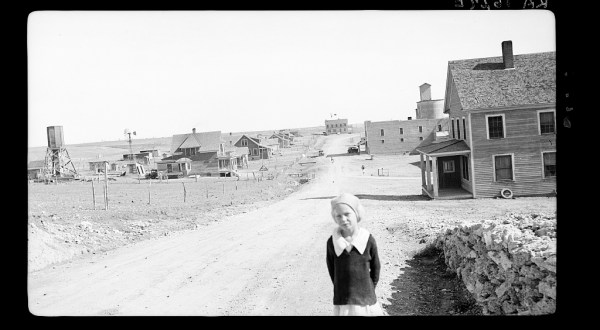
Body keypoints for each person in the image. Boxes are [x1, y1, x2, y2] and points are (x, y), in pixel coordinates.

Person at [326, 193, 384, 316]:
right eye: (338, 216)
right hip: (344, 299)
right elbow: (332, 271)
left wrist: (368, 289)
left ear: (356, 214)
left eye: (347, 214)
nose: (343, 219)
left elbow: (376, 269)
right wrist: (341, 288)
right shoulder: (333, 243)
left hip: (365, 300)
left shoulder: (368, 240)